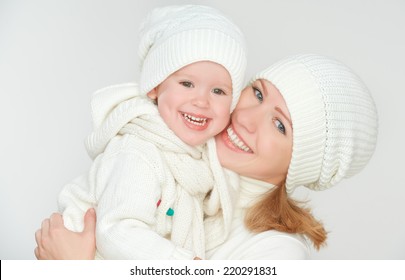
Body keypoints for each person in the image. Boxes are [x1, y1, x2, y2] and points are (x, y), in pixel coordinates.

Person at [35, 54, 378, 259]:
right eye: (257, 93)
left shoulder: (277, 254)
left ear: (302, 161)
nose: (245, 117)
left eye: (279, 125)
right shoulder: (175, 169)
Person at [52, 5, 247, 260]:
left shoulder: (198, 161)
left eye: (218, 91)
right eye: (187, 84)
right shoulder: (137, 151)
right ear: (154, 87)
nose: (201, 101)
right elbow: (116, 231)